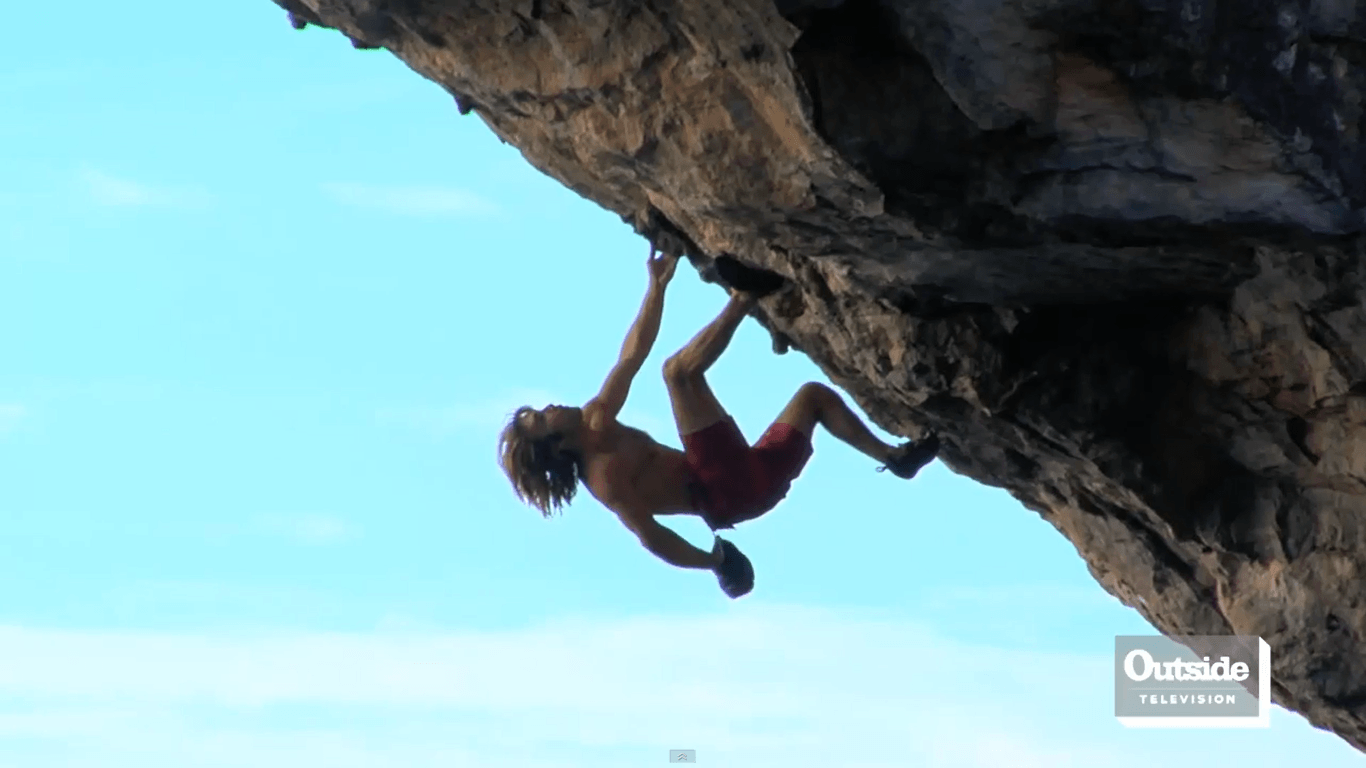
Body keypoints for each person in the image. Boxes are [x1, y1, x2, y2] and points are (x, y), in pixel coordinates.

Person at [497, 247, 939, 598]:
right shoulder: (605, 478)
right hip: (724, 492)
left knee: (813, 398)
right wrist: (713, 563)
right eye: (542, 417)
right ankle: (746, 294)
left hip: (753, 480)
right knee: (678, 374)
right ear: (555, 445)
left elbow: (631, 355)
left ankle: (894, 457)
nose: (551, 406)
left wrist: (657, 286)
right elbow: (652, 538)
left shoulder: (596, 419)